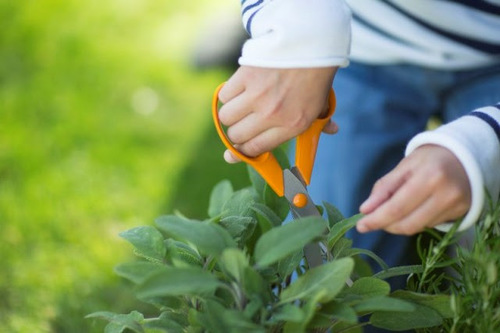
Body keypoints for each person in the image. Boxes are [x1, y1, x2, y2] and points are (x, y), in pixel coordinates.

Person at [217, 0, 500, 273]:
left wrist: (485, 141)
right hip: (358, 44)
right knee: (319, 273)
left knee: (483, 268)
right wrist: (301, 29)